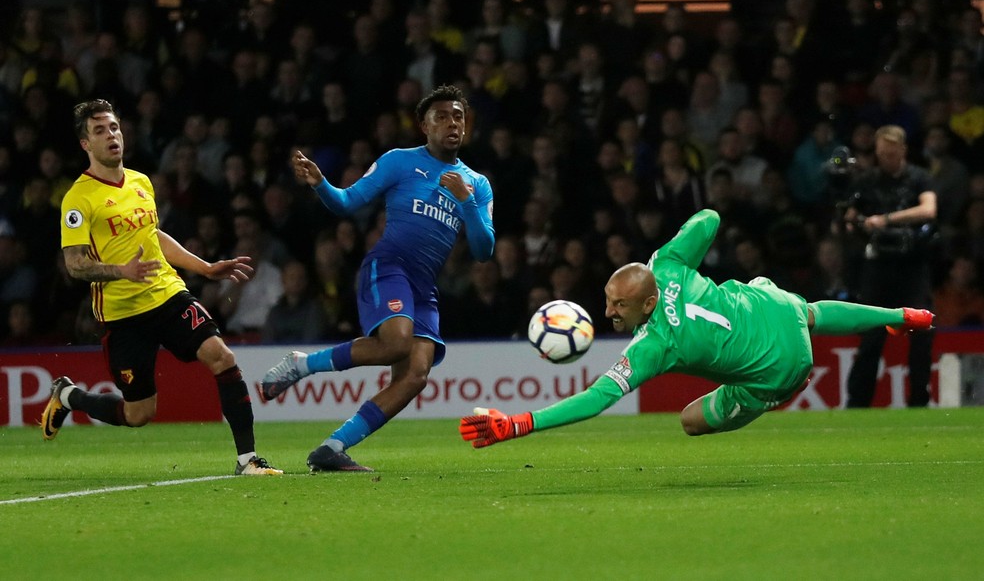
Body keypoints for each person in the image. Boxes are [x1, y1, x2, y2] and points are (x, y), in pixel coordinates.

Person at [458, 208, 934, 449]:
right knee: (796, 305)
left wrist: (520, 423)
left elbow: (597, 398)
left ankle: (783, 386)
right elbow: (710, 218)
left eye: (619, 306)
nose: (609, 315)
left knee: (689, 422)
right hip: (772, 308)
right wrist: (897, 317)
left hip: (778, 373)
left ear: (646, 303)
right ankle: (897, 316)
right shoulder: (666, 264)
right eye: (607, 301)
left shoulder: (655, 345)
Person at [40, 99, 282, 476]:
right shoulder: (78, 198)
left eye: (114, 127)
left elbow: (153, 236)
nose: (111, 136)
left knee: (222, 357)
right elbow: (75, 264)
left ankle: (247, 459)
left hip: (167, 294)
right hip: (123, 315)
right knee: (139, 414)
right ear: (85, 144)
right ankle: (69, 396)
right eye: (100, 131)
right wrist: (122, 271)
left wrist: (205, 267)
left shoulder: (140, 182)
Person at [262, 85, 495, 472]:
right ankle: (302, 364)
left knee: (415, 376)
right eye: (441, 116)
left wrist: (466, 200)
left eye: (458, 115)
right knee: (397, 343)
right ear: (424, 125)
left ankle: (332, 448)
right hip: (389, 267)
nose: (452, 123)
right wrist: (321, 184)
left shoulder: (477, 183)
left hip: (424, 286)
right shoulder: (400, 162)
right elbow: (347, 202)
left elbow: (484, 249)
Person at [842, 125, 938, 408]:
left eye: (892, 154)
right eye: (882, 154)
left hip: (913, 267)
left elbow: (929, 210)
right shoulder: (866, 181)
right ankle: (858, 403)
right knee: (871, 336)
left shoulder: (919, 178)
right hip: (878, 267)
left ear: (903, 151)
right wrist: (856, 222)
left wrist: (885, 220)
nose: (886, 159)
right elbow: (850, 217)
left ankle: (919, 400)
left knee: (921, 333)